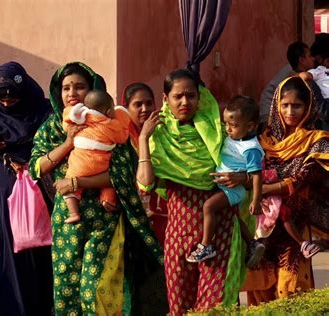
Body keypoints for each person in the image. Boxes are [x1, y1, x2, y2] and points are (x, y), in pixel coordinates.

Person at [28, 62, 162, 315]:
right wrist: (69, 143)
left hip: (104, 217)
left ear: (92, 90)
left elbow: (122, 175)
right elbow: (36, 167)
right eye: (66, 88)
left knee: (98, 289)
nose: (72, 94)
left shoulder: (111, 125)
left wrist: (77, 182)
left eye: (79, 87)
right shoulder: (51, 128)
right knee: (66, 289)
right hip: (67, 219)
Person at [137, 69, 246, 314]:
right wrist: (144, 138)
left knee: (214, 308)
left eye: (191, 96)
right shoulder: (158, 138)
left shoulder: (220, 133)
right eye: (178, 97)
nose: (185, 102)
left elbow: (250, 170)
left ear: (200, 98)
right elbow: (145, 184)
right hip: (178, 235)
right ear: (166, 99)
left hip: (220, 233)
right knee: (180, 308)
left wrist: (242, 177)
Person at [0, 61, 53, 315]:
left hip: (35, 207)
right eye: (0, 96)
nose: (6, 102)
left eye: (11, 96)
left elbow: (56, 150)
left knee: (34, 270)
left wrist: (29, 163)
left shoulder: (43, 114)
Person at [243, 76, 329, 304]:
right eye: (285, 105)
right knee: (261, 287)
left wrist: (258, 188)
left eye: (297, 105)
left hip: (296, 227)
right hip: (264, 227)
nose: (290, 111)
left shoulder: (318, 142)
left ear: (308, 106)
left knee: (289, 289)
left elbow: (298, 180)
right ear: (276, 105)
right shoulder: (264, 139)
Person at [186, 96, 266, 266]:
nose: (228, 129)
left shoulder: (251, 149)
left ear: (250, 126)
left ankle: (206, 245)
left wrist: (256, 200)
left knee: (208, 207)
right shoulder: (236, 137)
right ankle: (252, 243)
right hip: (225, 186)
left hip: (233, 188)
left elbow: (258, 176)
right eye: (226, 124)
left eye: (234, 125)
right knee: (234, 216)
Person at [62, 90, 130, 223]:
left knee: (69, 186)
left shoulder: (82, 118)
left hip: (80, 164)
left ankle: (74, 213)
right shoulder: (111, 124)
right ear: (109, 111)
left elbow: (66, 122)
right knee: (108, 183)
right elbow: (121, 138)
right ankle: (108, 200)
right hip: (101, 164)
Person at [123, 82, 167, 246]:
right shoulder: (121, 139)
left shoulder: (165, 132)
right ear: (126, 107)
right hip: (133, 216)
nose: (145, 109)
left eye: (149, 103)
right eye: (137, 104)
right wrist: (143, 137)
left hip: (164, 213)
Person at [259, 42, 314, 123]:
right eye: (310, 56)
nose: (313, 59)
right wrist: (267, 119)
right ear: (302, 60)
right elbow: (269, 94)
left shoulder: (311, 76)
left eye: (296, 106)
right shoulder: (287, 75)